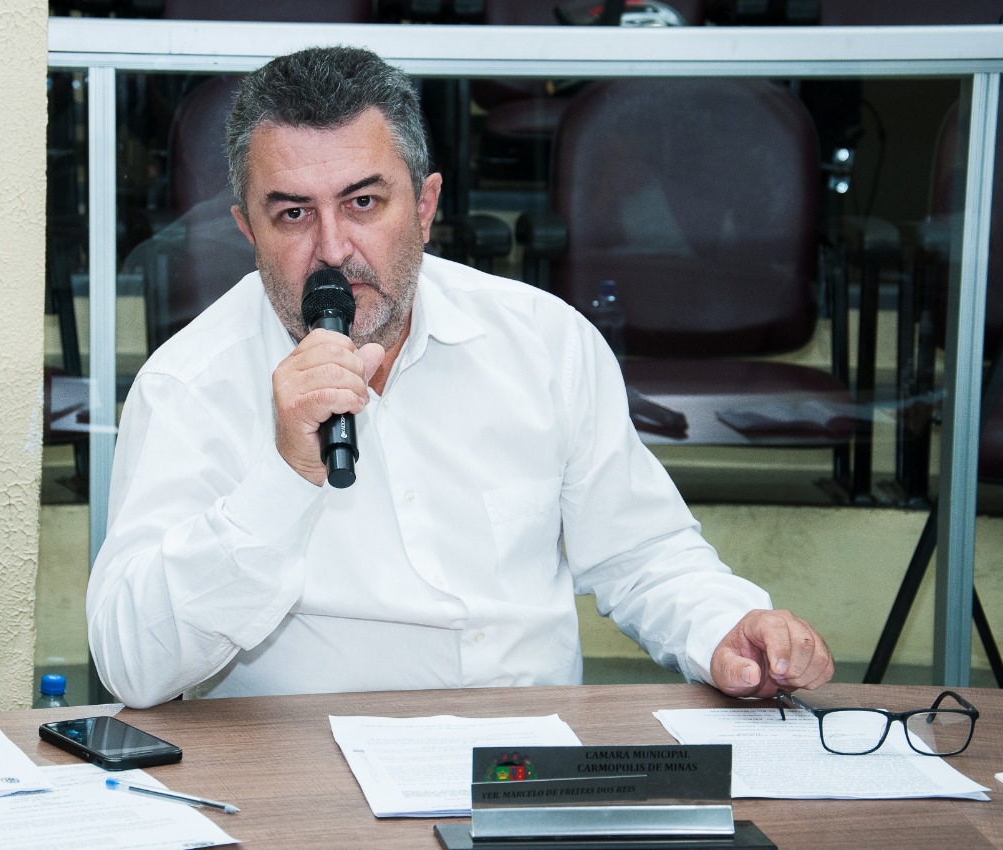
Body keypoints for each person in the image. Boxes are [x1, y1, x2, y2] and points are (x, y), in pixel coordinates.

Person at [87, 45, 835, 709]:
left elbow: (642, 555)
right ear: (247, 230)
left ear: (425, 207)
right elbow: (131, 666)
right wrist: (281, 479)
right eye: (292, 215)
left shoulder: (542, 341)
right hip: (306, 770)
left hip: (528, 762)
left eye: (363, 202)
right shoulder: (189, 383)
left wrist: (725, 628)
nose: (333, 248)